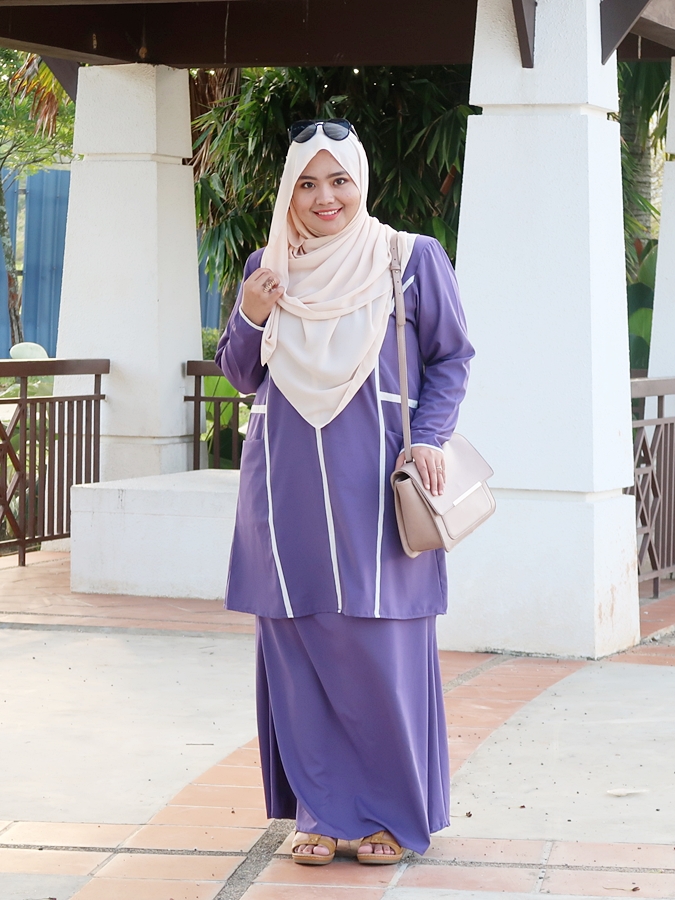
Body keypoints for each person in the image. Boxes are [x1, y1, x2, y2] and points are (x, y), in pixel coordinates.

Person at [215, 118, 474, 865]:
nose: (323, 197)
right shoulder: (269, 265)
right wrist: (251, 313)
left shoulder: (408, 258)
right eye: (306, 183)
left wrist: (429, 436)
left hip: (375, 480)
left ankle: (392, 814)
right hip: (284, 482)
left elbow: (451, 359)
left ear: (360, 182)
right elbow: (241, 373)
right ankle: (321, 814)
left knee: (378, 647)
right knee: (298, 647)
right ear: (288, 193)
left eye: (338, 180)